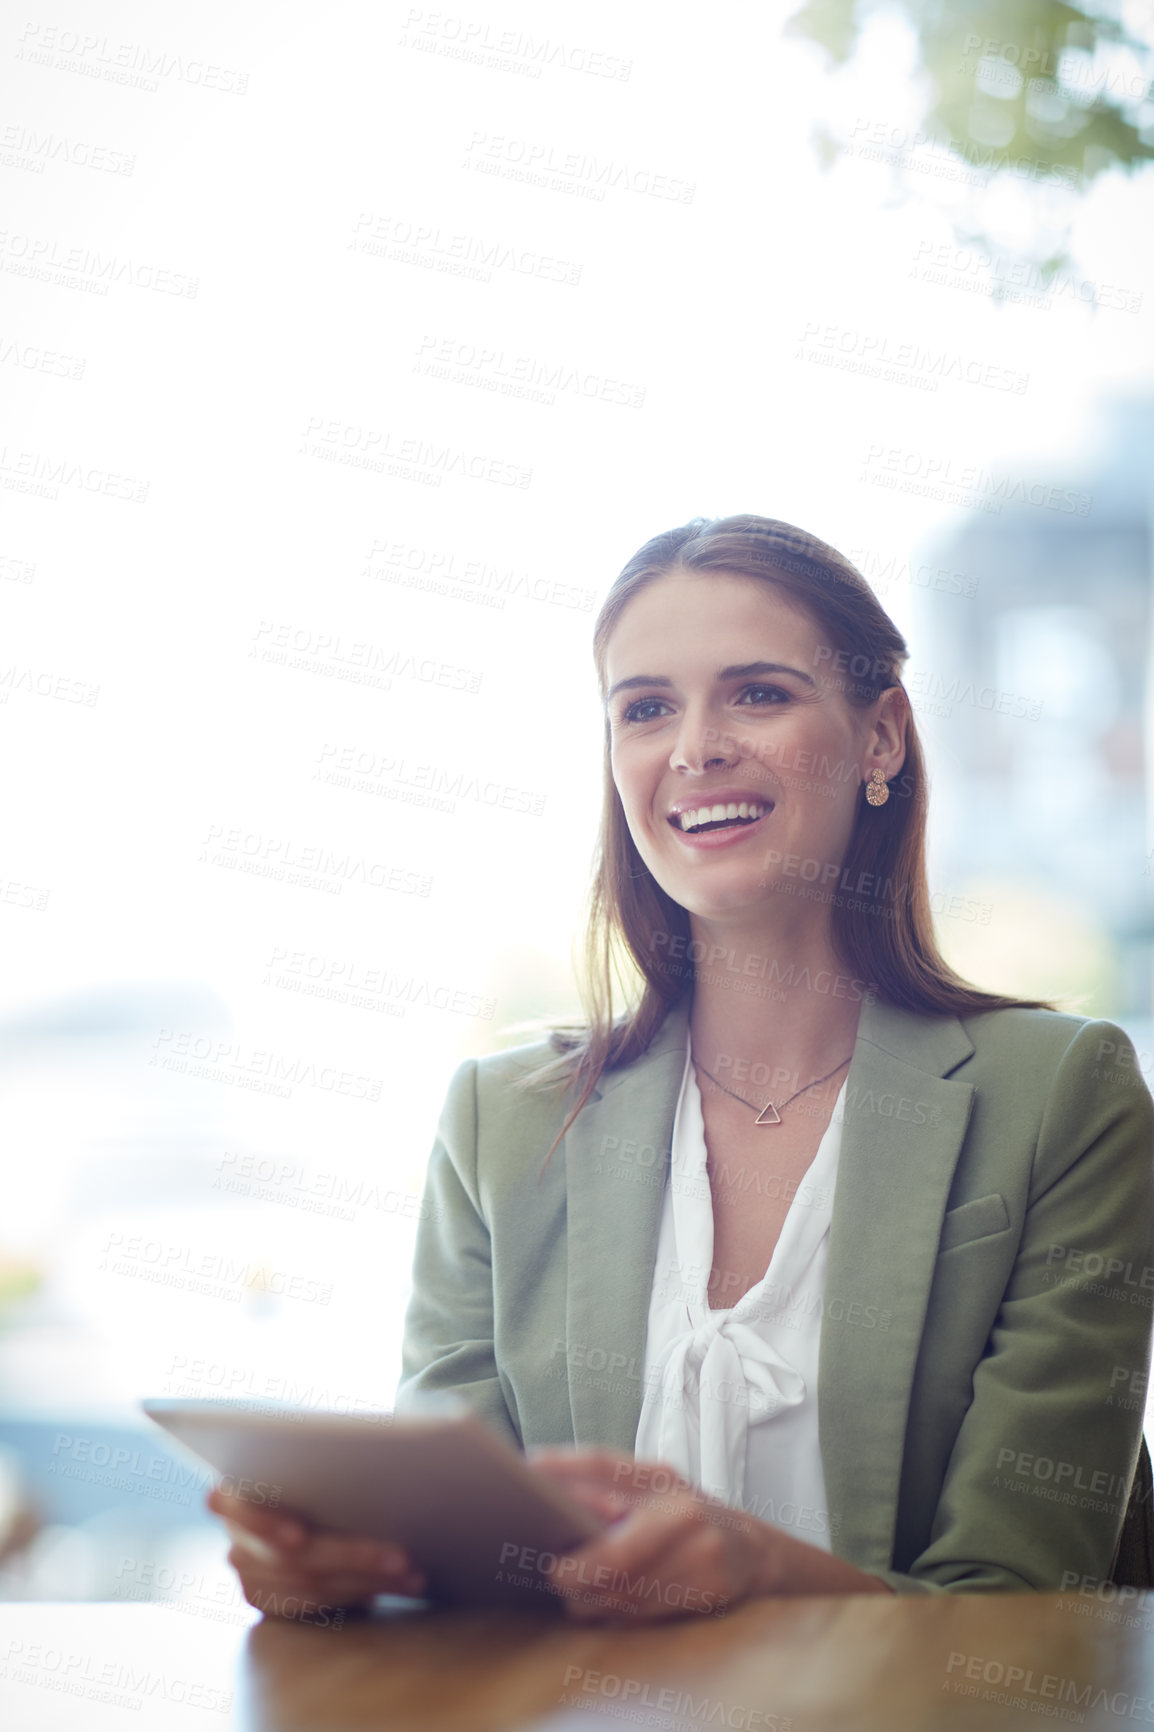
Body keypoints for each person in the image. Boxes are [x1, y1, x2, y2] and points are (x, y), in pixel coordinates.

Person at [212, 514, 1154, 1620]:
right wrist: (346, 1575)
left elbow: (1024, 1605)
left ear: (882, 737)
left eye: (756, 692)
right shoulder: (498, 1122)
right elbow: (462, 1559)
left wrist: (760, 1569)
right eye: (645, 707)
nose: (694, 746)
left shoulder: (1060, 1097)